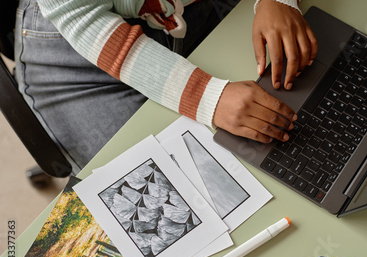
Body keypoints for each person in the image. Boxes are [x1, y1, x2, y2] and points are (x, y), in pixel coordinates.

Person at [14, 0, 317, 171]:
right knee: (171, 180)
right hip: (80, 43)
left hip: (185, 9)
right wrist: (207, 96)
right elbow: (83, 19)